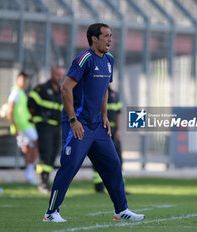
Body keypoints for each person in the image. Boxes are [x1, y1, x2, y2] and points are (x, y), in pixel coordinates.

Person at [42, 23, 145, 222]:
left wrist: (104, 115)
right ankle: (51, 213)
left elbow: (104, 88)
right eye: (106, 36)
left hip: (98, 125)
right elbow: (65, 88)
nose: (110, 40)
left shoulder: (109, 60)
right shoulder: (84, 59)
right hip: (79, 125)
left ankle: (121, 210)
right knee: (70, 166)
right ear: (94, 39)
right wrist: (73, 120)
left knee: (114, 164)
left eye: (111, 36)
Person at [28, 66, 65, 193]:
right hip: (44, 126)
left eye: (61, 75)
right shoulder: (42, 89)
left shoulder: (61, 91)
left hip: (56, 127)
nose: (59, 77)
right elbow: (30, 104)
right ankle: (42, 183)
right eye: (57, 74)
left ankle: (46, 181)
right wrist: (35, 118)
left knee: (53, 154)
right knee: (45, 152)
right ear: (51, 74)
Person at [93, 86, 129, 194]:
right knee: (99, 157)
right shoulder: (95, 92)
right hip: (101, 129)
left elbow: (119, 113)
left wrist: (118, 130)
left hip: (113, 130)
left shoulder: (114, 95)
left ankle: (120, 186)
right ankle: (99, 185)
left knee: (117, 158)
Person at [7, 72, 39, 185]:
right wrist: (15, 128)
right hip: (22, 127)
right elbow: (9, 110)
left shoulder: (21, 93)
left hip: (26, 125)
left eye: (26, 80)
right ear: (18, 80)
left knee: (29, 150)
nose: (25, 82)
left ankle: (29, 173)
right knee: (38, 143)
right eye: (23, 80)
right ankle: (30, 172)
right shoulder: (15, 92)